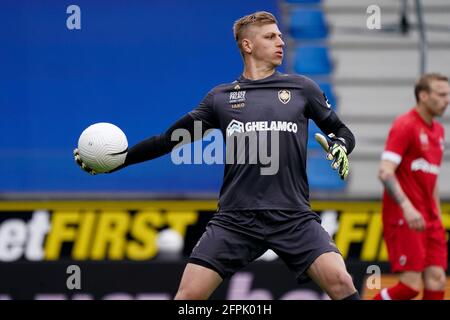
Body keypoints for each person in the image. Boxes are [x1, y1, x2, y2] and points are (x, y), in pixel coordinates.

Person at [74, 11, 359, 300]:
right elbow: (167, 140)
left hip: (292, 215)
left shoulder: (302, 88)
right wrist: (119, 161)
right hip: (235, 219)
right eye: (271, 36)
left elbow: (342, 131)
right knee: (187, 298)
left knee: (341, 283)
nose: (281, 42)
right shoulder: (220, 98)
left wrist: (340, 145)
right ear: (247, 45)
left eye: (281, 36)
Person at [374, 73, 449, 300]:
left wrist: (437, 216)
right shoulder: (405, 125)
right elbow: (385, 171)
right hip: (405, 215)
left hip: (429, 217)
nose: (447, 100)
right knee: (410, 287)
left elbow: (431, 178)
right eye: (442, 94)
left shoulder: (438, 131)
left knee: (437, 278)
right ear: (423, 96)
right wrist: (407, 207)